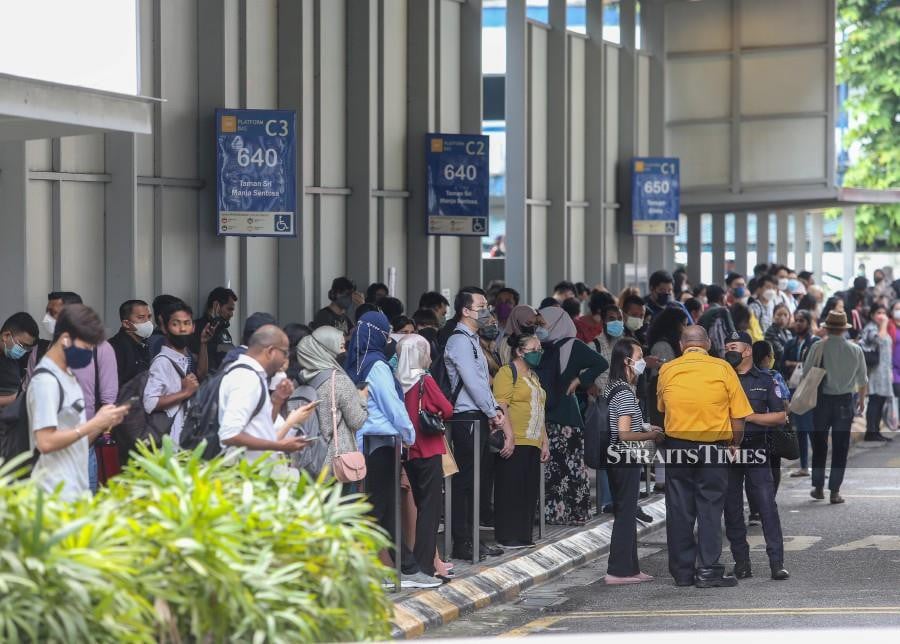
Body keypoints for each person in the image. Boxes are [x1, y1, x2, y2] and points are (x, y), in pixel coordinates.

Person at [346, 312, 441, 589]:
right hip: (383, 444)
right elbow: (392, 405)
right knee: (382, 510)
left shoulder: (357, 363)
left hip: (366, 443)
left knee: (379, 510)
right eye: (386, 334)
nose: (389, 340)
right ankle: (404, 569)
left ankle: (393, 568)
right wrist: (409, 433)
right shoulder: (377, 366)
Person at [657, 325, 752, 588]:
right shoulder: (723, 369)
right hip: (713, 447)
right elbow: (739, 415)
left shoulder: (668, 369)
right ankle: (708, 570)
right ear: (708, 344)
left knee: (679, 509)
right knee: (710, 508)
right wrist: (735, 441)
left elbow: (662, 407)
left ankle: (683, 573)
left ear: (681, 345)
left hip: (677, 447)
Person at [27, 305, 129, 501]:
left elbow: (76, 435)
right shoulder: (46, 382)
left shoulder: (68, 376)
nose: (89, 353)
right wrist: (95, 423)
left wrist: (104, 423)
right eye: (86, 347)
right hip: (54, 489)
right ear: (66, 339)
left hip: (76, 479)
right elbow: (45, 442)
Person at [444, 288, 508, 561]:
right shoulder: (459, 341)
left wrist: (490, 409)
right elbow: (472, 381)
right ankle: (463, 542)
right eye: (481, 307)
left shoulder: (471, 340)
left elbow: (482, 381)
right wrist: (492, 410)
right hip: (467, 416)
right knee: (465, 482)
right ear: (465, 311)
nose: (486, 311)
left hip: (477, 414)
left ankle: (473, 538)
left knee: (476, 481)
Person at [721, 332, 789, 581]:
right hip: (727, 449)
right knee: (732, 508)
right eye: (726, 346)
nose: (729, 350)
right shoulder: (720, 378)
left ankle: (776, 563)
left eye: (733, 346)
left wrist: (747, 417)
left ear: (747, 350)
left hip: (756, 447)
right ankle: (742, 563)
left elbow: (780, 416)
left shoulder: (766, 378)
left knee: (766, 505)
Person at [540, 306, 609, 526]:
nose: (540, 328)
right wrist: (580, 380)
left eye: (543, 323)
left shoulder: (559, 346)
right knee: (561, 467)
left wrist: (581, 380)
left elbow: (601, 363)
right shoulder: (554, 346)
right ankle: (563, 512)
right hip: (556, 414)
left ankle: (562, 512)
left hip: (556, 415)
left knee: (561, 466)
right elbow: (600, 363)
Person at [603, 337, 664, 584]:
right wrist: (651, 434)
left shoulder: (613, 387)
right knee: (626, 514)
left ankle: (630, 568)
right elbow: (625, 433)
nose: (642, 363)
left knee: (626, 512)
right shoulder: (626, 393)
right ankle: (617, 571)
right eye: (639, 358)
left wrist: (646, 425)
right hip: (625, 457)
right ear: (627, 361)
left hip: (616, 457)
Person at [396, 335, 453, 577]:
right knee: (430, 510)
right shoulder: (424, 380)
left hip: (409, 450)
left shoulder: (398, 381)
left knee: (419, 505)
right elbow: (448, 409)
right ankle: (425, 564)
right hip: (429, 448)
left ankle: (422, 561)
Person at [218, 325, 317, 461]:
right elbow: (229, 434)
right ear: (270, 351)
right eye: (284, 353)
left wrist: (276, 400)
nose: (286, 359)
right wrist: (278, 446)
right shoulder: (246, 378)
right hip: (247, 472)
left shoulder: (254, 375)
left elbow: (258, 426)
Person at [803, 311, 868, 504]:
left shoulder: (817, 346)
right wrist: (861, 400)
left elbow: (807, 372)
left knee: (820, 444)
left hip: (821, 401)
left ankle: (818, 487)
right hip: (845, 402)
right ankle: (835, 491)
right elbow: (862, 379)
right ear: (843, 329)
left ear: (827, 328)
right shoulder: (855, 350)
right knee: (840, 447)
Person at [492, 334, 550, 549]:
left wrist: (545, 441)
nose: (538, 353)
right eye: (534, 349)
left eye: (540, 349)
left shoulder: (533, 376)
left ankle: (523, 534)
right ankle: (508, 535)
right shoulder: (507, 373)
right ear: (519, 351)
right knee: (510, 488)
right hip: (515, 439)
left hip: (533, 440)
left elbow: (540, 409)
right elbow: (501, 406)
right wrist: (509, 435)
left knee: (528, 489)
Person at [294, 325, 367, 487]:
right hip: (336, 465)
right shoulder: (338, 380)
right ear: (326, 349)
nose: (344, 352)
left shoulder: (301, 379)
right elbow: (357, 421)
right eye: (340, 347)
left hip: (308, 460)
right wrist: (362, 398)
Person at [143, 302, 209, 447]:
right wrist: (185, 392)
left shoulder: (184, 358)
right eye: (176, 324)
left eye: (187, 323)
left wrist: (203, 343)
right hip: (170, 444)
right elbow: (149, 403)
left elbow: (201, 375)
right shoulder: (162, 362)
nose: (182, 328)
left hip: (185, 439)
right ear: (165, 328)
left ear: (193, 327)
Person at [782, 310, 819, 477]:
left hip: (810, 389)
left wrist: (794, 363)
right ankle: (804, 466)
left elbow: (816, 366)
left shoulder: (815, 342)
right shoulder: (791, 343)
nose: (798, 323)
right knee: (800, 430)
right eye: (796, 320)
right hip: (793, 388)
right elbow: (783, 364)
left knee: (811, 429)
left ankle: (817, 466)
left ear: (808, 322)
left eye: (801, 320)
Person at [860, 304, 893, 442]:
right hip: (874, 371)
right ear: (872, 315)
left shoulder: (879, 327)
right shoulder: (871, 328)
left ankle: (876, 431)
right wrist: (884, 324)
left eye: (884, 313)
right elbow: (879, 339)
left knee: (880, 400)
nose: (882, 316)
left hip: (884, 370)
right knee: (874, 400)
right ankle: (871, 432)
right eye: (879, 312)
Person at [191, 287, 238, 374]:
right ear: (216, 305)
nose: (231, 314)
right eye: (229, 309)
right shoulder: (197, 328)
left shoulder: (224, 331)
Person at [108, 299, 154, 387]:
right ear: (126, 323)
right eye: (141, 317)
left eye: (149, 317)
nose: (147, 322)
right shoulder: (115, 348)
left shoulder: (145, 344)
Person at [0, 312, 39, 409]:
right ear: (6, 336)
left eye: (27, 347)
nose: (23, 350)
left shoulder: (10, 356)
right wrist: (19, 397)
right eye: (22, 345)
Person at [592, 304, 625, 391]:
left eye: (620, 318)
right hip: (602, 399)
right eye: (611, 319)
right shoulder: (594, 346)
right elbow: (582, 375)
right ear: (603, 321)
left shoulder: (628, 345)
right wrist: (590, 386)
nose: (617, 322)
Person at [698, 285, 735, 357]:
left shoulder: (703, 315)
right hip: (721, 357)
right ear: (722, 297)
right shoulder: (722, 311)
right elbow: (733, 334)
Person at [764, 304, 793, 373]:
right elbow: (780, 352)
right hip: (775, 369)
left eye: (785, 315)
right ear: (773, 316)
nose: (782, 318)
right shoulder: (770, 331)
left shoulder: (788, 332)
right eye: (779, 315)